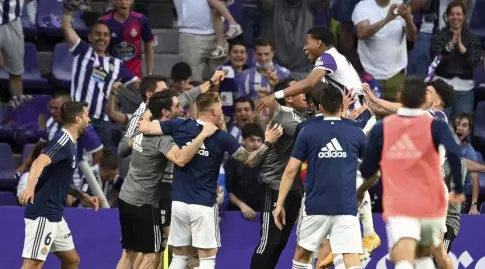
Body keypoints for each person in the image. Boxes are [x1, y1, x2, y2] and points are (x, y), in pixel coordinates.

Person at [138, 92, 283, 269]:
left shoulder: (180, 125)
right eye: (221, 108)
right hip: (203, 205)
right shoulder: (222, 138)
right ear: (215, 111)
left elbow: (144, 128)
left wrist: (146, 110)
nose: (222, 111)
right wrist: (267, 142)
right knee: (207, 258)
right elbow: (250, 160)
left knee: (179, 257)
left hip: (178, 202)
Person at [358, 77, 465, 269]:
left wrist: (376, 100)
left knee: (409, 254)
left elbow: (397, 110)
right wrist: (372, 104)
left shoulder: (437, 117)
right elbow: (394, 110)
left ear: (436, 102)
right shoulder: (418, 121)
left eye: (428, 91)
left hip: (415, 194)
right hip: (424, 195)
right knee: (427, 254)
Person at [115, 90, 219, 269]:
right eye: (177, 106)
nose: (181, 109)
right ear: (165, 112)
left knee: (129, 253)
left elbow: (128, 145)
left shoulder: (143, 126)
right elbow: (180, 159)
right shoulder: (162, 138)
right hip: (144, 203)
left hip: (125, 198)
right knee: (151, 256)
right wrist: (203, 135)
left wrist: (206, 85)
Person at [274, 84, 368, 269]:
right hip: (346, 206)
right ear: (342, 106)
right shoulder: (357, 132)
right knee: (352, 260)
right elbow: (376, 171)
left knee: (302, 256)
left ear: (320, 107)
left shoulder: (307, 131)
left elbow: (290, 170)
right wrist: (361, 191)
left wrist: (279, 203)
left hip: (315, 205)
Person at [18, 101, 101, 269]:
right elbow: (38, 162)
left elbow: (60, 180)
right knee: (33, 264)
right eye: (86, 115)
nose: (89, 120)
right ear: (78, 119)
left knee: (72, 261)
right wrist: (30, 188)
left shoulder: (72, 144)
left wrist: (83, 196)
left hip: (55, 214)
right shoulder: (62, 140)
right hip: (43, 212)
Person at [61, 5, 140, 148]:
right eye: (97, 34)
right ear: (90, 37)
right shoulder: (82, 51)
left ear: (110, 39)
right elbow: (67, 28)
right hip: (78, 119)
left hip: (102, 123)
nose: (101, 38)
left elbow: (138, 85)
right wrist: (68, 11)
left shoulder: (117, 64)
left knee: (106, 164)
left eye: (105, 35)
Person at [250, 77, 308, 269]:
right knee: (270, 241)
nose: (303, 92)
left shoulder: (301, 114)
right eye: (298, 89)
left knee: (281, 243)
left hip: (293, 189)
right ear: (289, 97)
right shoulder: (285, 117)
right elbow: (310, 134)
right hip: (274, 185)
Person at [257, 27, 363, 115]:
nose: (304, 48)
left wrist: (274, 95)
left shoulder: (328, 57)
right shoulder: (335, 58)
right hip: (356, 114)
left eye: (307, 43)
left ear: (318, 43)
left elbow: (308, 84)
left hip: (355, 115)